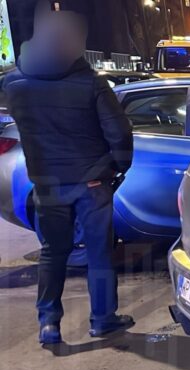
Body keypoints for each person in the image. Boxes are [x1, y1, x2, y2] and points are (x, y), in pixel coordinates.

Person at [3, 2, 134, 345]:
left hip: (46, 184)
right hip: (91, 182)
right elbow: (119, 134)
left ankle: (49, 324)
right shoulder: (90, 84)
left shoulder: (15, 85)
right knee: (99, 254)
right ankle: (103, 319)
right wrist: (118, 166)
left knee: (53, 253)